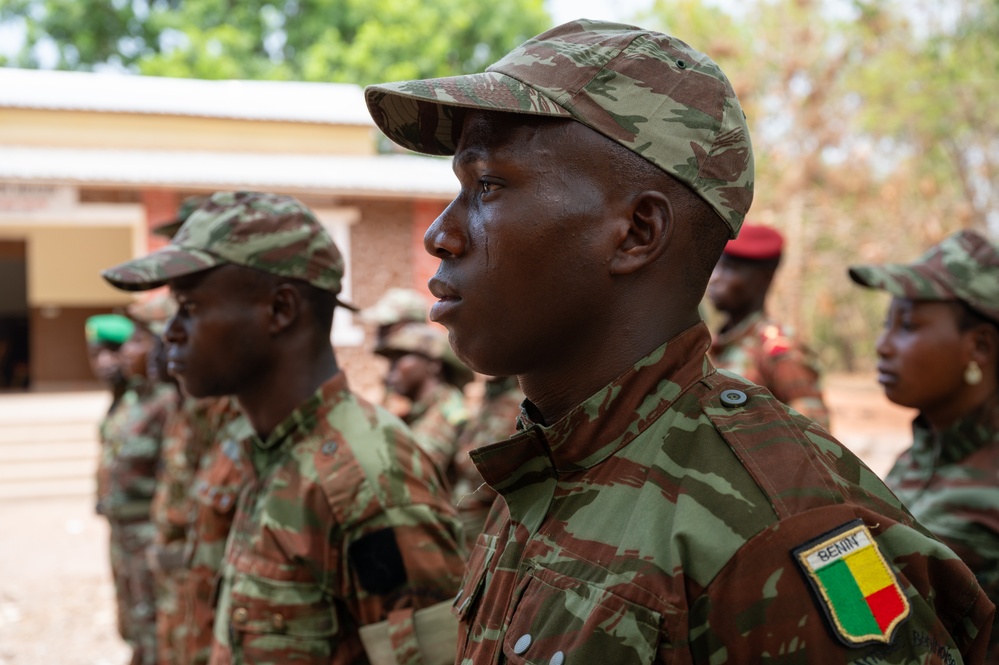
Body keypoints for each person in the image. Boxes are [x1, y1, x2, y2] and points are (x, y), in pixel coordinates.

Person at [365, 18, 994, 663]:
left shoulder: (778, 528)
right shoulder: (552, 464)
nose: (440, 234)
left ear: (637, 232)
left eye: (488, 186)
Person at [101, 191, 466, 665]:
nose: (171, 332)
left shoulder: (368, 477)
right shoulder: (266, 447)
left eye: (190, 307)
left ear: (279, 310)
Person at [849, 229, 999, 663]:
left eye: (908, 326)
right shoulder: (924, 452)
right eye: (887, 323)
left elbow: (873, 617)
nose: (883, 346)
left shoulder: (987, 490)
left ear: (980, 347)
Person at [100, 297, 181, 665]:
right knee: (132, 620)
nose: (125, 353)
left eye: (137, 342)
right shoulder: (133, 398)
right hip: (123, 531)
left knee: (154, 624)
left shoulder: (168, 404)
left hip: (148, 532)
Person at [707, 223, 830, 428]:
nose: (715, 278)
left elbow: (814, 439)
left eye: (730, 268)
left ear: (763, 278)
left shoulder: (778, 350)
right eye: (716, 266)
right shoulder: (715, 343)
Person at [375, 322, 470, 477]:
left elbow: (414, 475)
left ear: (433, 365)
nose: (390, 370)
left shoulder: (444, 409)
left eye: (400, 359)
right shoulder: (424, 408)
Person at [449, 374, 523, 549]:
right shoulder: (492, 399)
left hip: (484, 515)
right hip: (466, 512)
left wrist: (462, 458)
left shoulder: (515, 402)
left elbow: (490, 469)